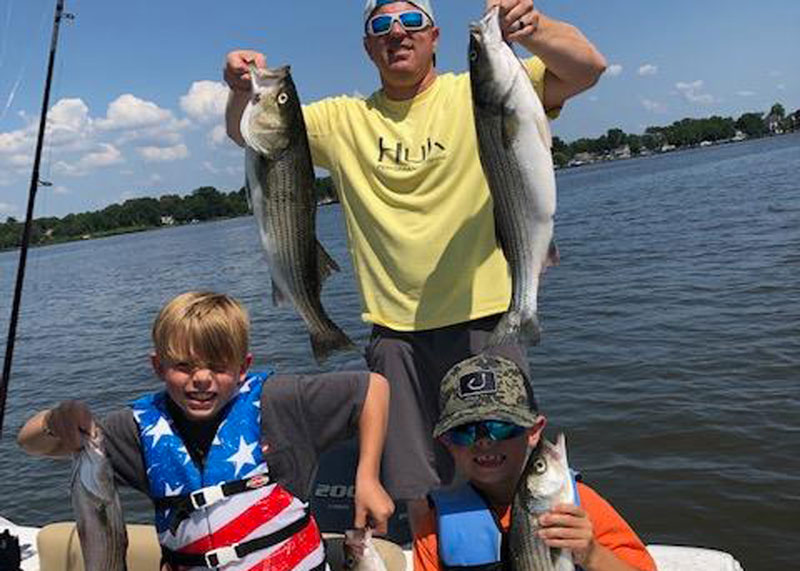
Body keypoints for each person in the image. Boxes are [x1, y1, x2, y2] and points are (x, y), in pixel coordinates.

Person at [224, 0, 607, 536]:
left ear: (435, 37)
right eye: (381, 26)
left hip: (490, 319)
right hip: (394, 336)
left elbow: (585, 68)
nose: (396, 34)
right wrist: (242, 90)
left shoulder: (483, 86)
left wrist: (535, 28)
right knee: (416, 485)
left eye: (411, 23)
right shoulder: (342, 119)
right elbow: (257, 134)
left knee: (511, 475)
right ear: (367, 47)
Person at [18, 291, 394, 571]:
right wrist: (57, 420)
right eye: (183, 365)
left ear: (243, 367)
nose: (201, 378)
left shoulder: (281, 401)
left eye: (218, 366)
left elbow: (372, 388)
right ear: (158, 367)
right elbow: (31, 442)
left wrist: (367, 476)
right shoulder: (137, 429)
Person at [413, 353, 657, 571]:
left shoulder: (580, 507)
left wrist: (592, 554)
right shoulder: (435, 526)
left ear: (533, 431)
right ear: (446, 442)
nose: (485, 441)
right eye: (464, 431)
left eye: (501, 427)